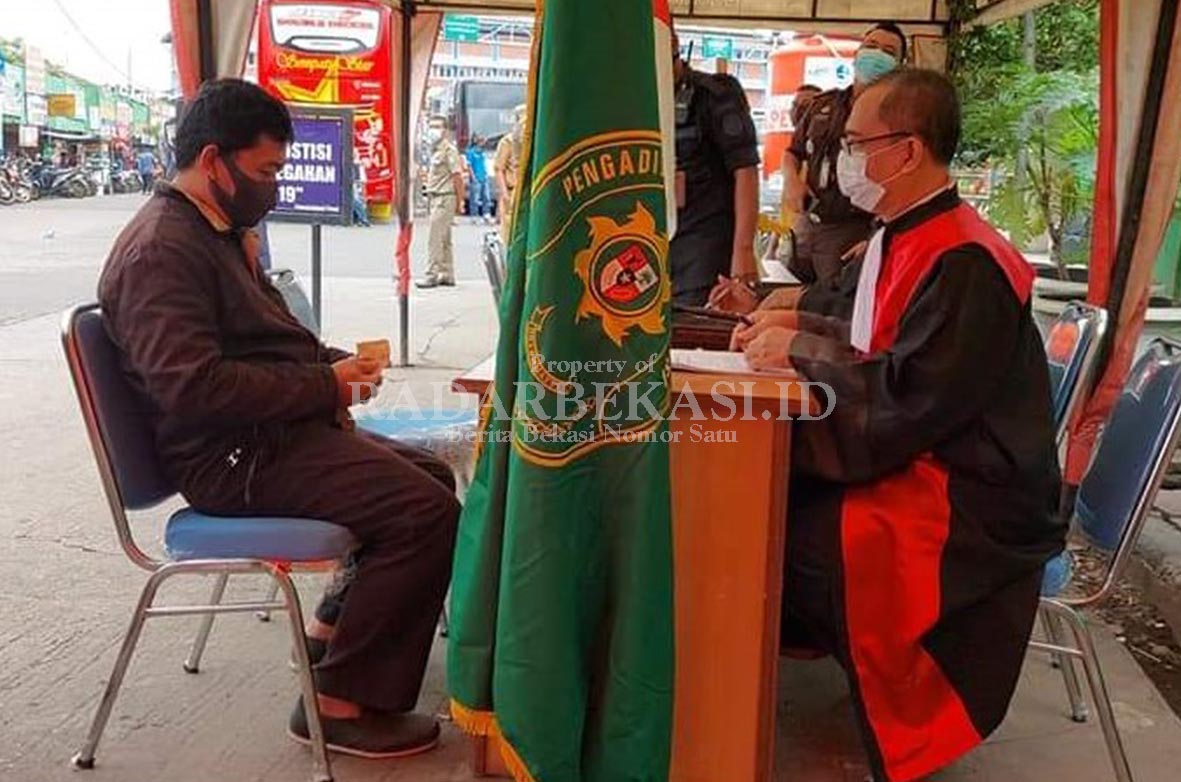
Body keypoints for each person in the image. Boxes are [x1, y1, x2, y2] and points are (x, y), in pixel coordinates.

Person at [98, 79, 460, 759]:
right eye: (265, 172)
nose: (272, 187)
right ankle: (336, 705)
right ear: (213, 161)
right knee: (423, 513)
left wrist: (335, 366)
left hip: (265, 437)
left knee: (432, 478)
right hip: (230, 459)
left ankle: (328, 637)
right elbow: (192, 388)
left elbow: (265, 342)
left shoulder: (216, 234)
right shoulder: (162, 251)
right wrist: (324, 386)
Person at [732, 69, 1065, 782]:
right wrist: (801, 332)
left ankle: (742, 710)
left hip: (971, 495)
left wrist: (800, 352)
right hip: (931, 446)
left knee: (785, 537)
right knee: (766, 504)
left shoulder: (965, 259)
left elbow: (910, 395)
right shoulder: (907, 234)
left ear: (907, 151)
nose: (843, 160)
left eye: (856, 144)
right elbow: (879, 345)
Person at [784, 23, 906, 285]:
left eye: (888, 52)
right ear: (858, 54)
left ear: (899, 66)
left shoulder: (899, 119)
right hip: (808, 222)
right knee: (788, 291)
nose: (876, 55)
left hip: (854, 229)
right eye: (871, 46)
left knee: (832, 301)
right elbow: (793, 152)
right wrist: (792, 180)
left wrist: (877, 237)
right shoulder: (823, 105)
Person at [670, 27, 761, 306]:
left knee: (695, 325)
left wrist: (743, 251)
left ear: (673, 44)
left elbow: (745, 169)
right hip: (648, 242)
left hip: (702, 247)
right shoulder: (630, 101)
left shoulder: (716, 94)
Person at [418, 115, 464, 288]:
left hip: (445, 197)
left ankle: (431, 274)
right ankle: (447, 273)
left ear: (445, 130)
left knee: (434, 238)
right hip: (435, 197)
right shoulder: (435, 150)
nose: (433, 130)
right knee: (444, 238)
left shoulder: (448, 150)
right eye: (431, 126)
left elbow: (457, 176)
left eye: (437, 126)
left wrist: (460, 200)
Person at [494, 105, 525, 243]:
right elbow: (499, 169)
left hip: (528, 191)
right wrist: (505, 194)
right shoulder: (508, 141)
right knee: (510, 236)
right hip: (513, 192)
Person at [465, 133, 491, 223]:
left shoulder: (482, 152)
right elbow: (469, 166)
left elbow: (484, 164)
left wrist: (486, 174)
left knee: (486, 197)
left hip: (484, 177)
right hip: (476, 177)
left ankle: (486, 214)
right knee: (475, 198)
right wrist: (473, 176)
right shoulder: (471, 152)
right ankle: (474, 215)